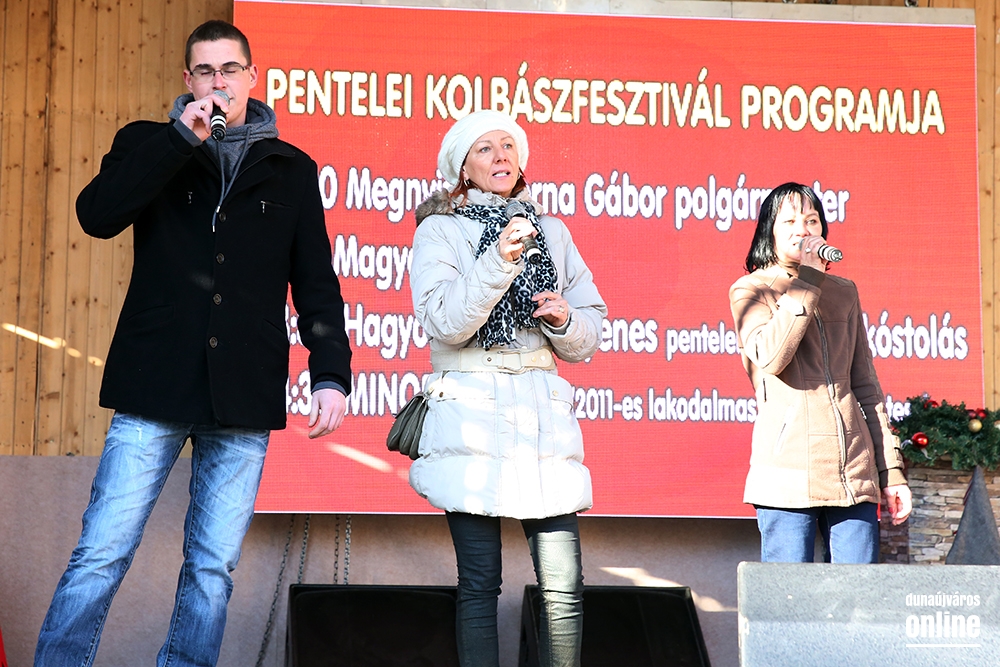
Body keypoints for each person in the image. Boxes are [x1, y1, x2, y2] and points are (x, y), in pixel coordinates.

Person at [35, 20, 351, 667]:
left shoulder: (291, 169)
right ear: (188, 80)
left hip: (243, 392)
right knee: (101, 551)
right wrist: (181, 139)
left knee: (211, 568)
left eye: (229, 70)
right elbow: (97, 215)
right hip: (154, 381)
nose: (218, 82)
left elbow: (316, 281)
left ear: (252, 77)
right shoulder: (147, 142)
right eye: (205, 71)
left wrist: (330, 374)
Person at [407, 110, 606, 667]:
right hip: (470, 417)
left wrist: (565, 320)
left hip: (541, 421)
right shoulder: (440, 230)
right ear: (462, 168)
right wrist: (499, 260)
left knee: (564, 585)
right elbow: (445, 321)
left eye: (508, 146)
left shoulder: (553, 231)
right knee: (479, 583)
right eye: (485, 148)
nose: (500, 156)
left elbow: (589, 330)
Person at [729, 182, 911, 564]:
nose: (803, 230)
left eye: (812, 221)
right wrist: (809, 280)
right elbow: (771, 357)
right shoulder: (750, 289)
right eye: (790, 222)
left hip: (853, 471)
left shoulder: (844, 291)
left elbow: (866, 387)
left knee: (857, 593)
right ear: (768, 232)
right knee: (788, 593)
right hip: (787, 471)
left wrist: (891, 471)